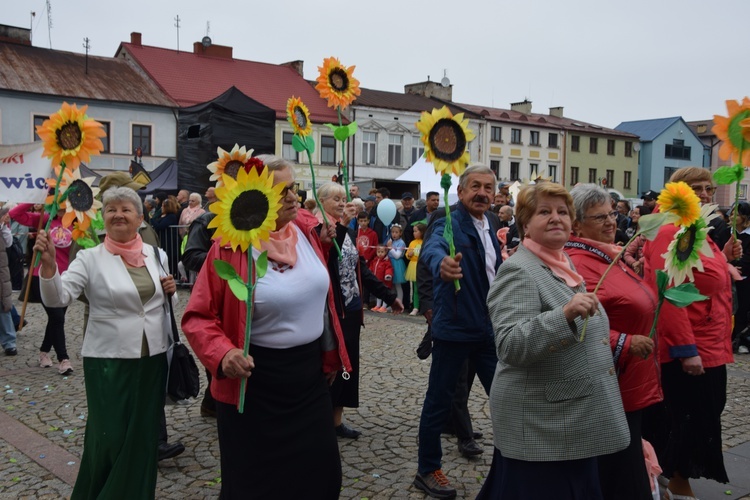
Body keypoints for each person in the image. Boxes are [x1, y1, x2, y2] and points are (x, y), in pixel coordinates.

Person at [181, 155, 349, 499]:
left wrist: (329, 356)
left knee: (322, 476)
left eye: (294, 188)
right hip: (253, 382)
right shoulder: (229, 247)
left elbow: (319, 295)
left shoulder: (304, 228)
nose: (293, 198)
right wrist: (223, 353)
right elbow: (197, 316)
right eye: (281, 190)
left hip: (307, 377)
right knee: (255, 484)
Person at [480, 181, 629, 500]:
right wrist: (563, 315)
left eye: (562, 211)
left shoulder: (560, 263)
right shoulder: (519, 270)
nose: (556, 217)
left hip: (570, 421)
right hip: (542, 426)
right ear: (525, 223)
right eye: (544, 211)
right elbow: (509, 345)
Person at [35, 186, 177, 499]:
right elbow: (59, 298)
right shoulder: (90, 258)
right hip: (108, 360)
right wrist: (48, 267)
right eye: (111, 209)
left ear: (140, 218)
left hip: (152, 359)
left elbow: (164, 303)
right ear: (103, 218)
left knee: (142, 436)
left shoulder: (157, 255)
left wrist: (171, 290)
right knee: (109, 435)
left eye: (126, 209)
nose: (118, 214)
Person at [643, 167, 740, 499]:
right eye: (694, 188)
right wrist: (686, 349)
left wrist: (723, 259)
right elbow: (668, 292)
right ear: (676, 193)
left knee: (705, 412)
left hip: (711, 339)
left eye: (708, 188)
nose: (703, 194)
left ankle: (668, 481)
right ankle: (672, 483)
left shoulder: (696, 226)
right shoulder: (671, 230)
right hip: (690, 344)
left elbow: (698, 273)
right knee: (687, 421)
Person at [565, 183, 661, 500]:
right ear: (576, 224)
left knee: (622, 467)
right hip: (610, 384)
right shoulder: (579, 262)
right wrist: (625, 342)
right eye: (599, 217)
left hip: (629, 380)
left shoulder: (605, 254)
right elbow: (579, 324)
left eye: (611, 214)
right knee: (621, 477)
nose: (610, 222)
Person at [413, 164, 503, 499]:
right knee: (439, 401)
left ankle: (512, 461)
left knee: (505, 397)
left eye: (489, 187)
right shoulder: (448, 219)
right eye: (476, 186)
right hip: (453, 328)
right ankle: (427, 469)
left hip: (488, 328)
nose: (482, 193)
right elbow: (434, 246)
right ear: (461, 190)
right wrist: (442, 264)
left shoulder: (493, 223)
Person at [315, 181, 403, 439]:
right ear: (321, 202)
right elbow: (329, 252)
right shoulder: (318, 229)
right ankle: (319, 421)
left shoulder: (349, 232)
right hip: (332, 310)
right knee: (331, 365)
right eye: (336, 199)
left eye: (345, 198)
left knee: (347, 366)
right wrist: (341, 225)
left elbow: (360, 269)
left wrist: (389, 296)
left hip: (352, 308)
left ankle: (336, 421)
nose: (343, 203)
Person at [10, 202, 73, 375]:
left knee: (56, 320)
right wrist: (35, 198)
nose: (63, 206)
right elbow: (15, 214)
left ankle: (44, 352)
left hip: (67, 278)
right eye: (59, 201)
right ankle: (63, 359)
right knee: (57, 317)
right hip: (42, 276)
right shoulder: (45, 220)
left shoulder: (78, 223)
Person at [731, 201, 750, 353]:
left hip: (745, 279)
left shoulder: (748, 235)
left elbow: (747, 258)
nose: (733, 216)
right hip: (730, 275)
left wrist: (738, 268)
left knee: (742, 310)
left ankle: (740, 339)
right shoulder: (728, 232)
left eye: (736, 213)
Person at [0, 208, 17, 356]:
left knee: (4, 307)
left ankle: (9, 342)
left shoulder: (3, 226)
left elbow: (8, 242)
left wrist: (3, 225)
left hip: (1, 273)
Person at [152, 196, 180, 277]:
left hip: (169, 241)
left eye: (163, 206)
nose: (161, 207)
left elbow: (160, 226)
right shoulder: (162, 215)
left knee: (169, 258)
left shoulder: (171, 216)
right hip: (162, 240)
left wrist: (152, 220)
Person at [623, 205, 653, 276]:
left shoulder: (653, 237)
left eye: (636, 213)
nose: (633, 215)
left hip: (650, 272)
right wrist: (633, 263)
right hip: (637, 272)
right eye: (633, 213)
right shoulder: (636, 236)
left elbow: (652, 255)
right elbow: (627, 253)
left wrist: (639, 261)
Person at [405, 223, 426, 316]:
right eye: (413, 231)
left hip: (422, 266)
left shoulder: (425, 242)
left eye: (416, 231)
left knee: (423, 288)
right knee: (414, 288)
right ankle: (415, 306)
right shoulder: (412, 243)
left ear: (422, 232)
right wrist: (408, 255)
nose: (414, 233)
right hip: (413, 266)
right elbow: (407, 253)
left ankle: (423, 307)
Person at [368, 245, 393, 312]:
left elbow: (389, 268)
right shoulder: (375, 260)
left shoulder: (386, 261)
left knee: (384, 294)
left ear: (385, 252)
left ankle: (384, 306)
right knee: (378, 294)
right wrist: (369, 272)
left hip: (385, 281)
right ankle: (378, 305)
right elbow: (371, 267)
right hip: (377, 280)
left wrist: (388, 275)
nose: (380, 253)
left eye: (382, 252)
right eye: (378, 252)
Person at [387, 224, 407, 305]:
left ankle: (400, 303)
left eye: (396, 232)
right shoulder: (393, 241)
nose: (394, 234)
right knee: (392, 286)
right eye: (392, 232)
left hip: (397, 264)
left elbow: (397, 255)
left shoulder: (401, 243)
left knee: (398, 286)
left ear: (400, 233)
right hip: (390, 263)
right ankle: (393, 303)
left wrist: (390, 248)